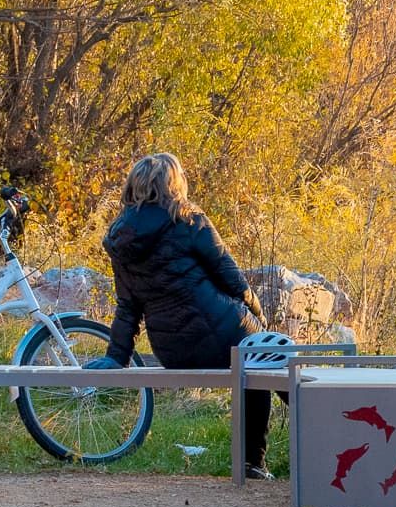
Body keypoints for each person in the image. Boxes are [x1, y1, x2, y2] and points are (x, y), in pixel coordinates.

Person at [93, 153, 281, 477]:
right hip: (222, 334)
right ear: (173, 184)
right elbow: (230, 275)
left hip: (173, 351)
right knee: (272, 355)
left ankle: (257, 463)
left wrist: (116, 357)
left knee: (259, 355)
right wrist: (258, 316)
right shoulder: (188, 218)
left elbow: (128, 306)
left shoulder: (119, 238)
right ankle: (281, 456)